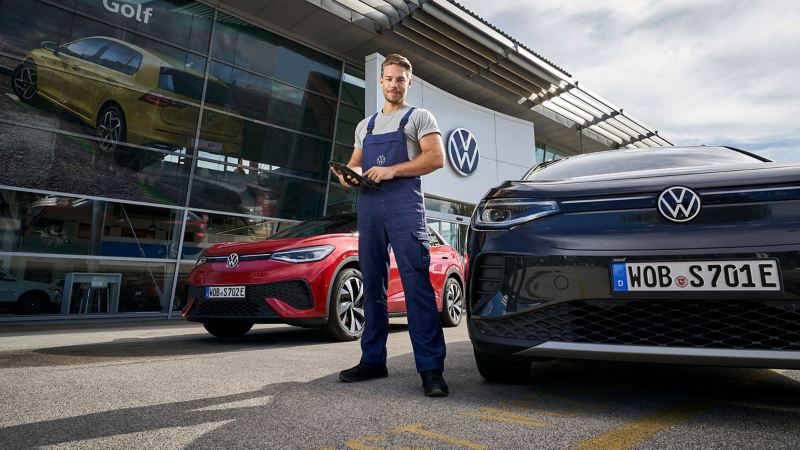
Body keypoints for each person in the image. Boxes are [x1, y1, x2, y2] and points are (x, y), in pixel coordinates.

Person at [330, 53, 448, 397]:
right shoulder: (364, 126)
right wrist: (346, 177)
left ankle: (431, 370)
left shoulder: (419, 117)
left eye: (400, 79)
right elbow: (354, 164)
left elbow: (435, 158)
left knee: (416, 285)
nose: (394, 84)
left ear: (409, 83)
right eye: (389, 78)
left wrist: (392, 170)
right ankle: (372, 360)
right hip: (368, 207)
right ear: (380, 82)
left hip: (404, 207)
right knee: (373, 285)